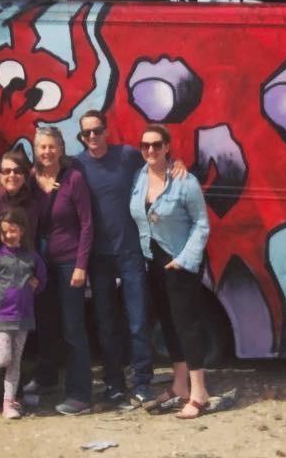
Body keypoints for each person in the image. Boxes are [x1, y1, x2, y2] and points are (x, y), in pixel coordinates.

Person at [129, 123, 212, 420]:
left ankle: (200, 392)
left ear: (167, 147)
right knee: (168, 323)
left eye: (156, 145)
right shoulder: (139, 177)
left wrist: (185, 259)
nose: (150, 150)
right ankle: (180, 386)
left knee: (186, 324)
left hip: (179, 262)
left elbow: (201, 224)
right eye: (145, 145)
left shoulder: (184, 181)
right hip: (153, 259)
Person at [74, 110, 156, 406]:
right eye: (87, 134)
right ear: (81, 137)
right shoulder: (77, 165)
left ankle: (143, 381)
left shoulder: (128, 156)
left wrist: (179, 165)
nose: (93, 137)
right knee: (106, 322)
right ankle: (114, 383)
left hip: (130, 252)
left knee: (137, 321)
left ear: (107, 131)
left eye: (97, 131)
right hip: (98, 257)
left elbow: (157, 166)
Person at [29, 125, 94, 416]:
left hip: (69, 262)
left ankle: (80, 393)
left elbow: (87, 224)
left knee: (72, 327)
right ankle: (46, 378)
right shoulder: (31, 179)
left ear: (61, 148)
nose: (47, 152)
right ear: (36, 150)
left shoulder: (74, 179)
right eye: (42, 147)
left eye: (51, 146)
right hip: (42, 263)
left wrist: (81, 265)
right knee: (45, 323)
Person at [0, 208, 47, 420]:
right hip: (0, 317)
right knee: (4, 357)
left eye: (13, 231)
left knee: (15, 362)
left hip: (24, 317)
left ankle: (8, 404)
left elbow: (42, 280)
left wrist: (37, 285)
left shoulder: (32, 258)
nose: (9, 235)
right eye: (5, 232)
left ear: (22, 231)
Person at [0, 149, 38, 249]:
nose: (12, 175)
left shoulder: (33, 206)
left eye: (17, 171)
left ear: (24, 176)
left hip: (27, 262)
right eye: (7, 171)